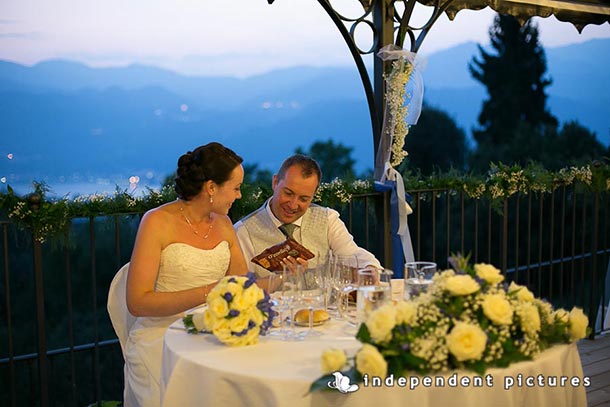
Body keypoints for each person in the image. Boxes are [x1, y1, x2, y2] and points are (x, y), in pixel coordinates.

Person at [123, 142, 247, 407]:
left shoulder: (225, 224)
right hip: (162, 340)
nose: (239, 196)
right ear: (211, 187)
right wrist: (209, 292)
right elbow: (137, 302)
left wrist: (280, 278)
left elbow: (240, 287)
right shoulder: (157, 222)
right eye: (235, 188)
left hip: (214, 335)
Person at [234, 154, 382, 278]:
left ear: (313, 196)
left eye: (303, 199)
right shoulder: (244, 231)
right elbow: (242, 287)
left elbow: (352, 254)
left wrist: (370, 268)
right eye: (288, 193)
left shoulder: (328, 219)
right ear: (275, 183)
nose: (292, 205)